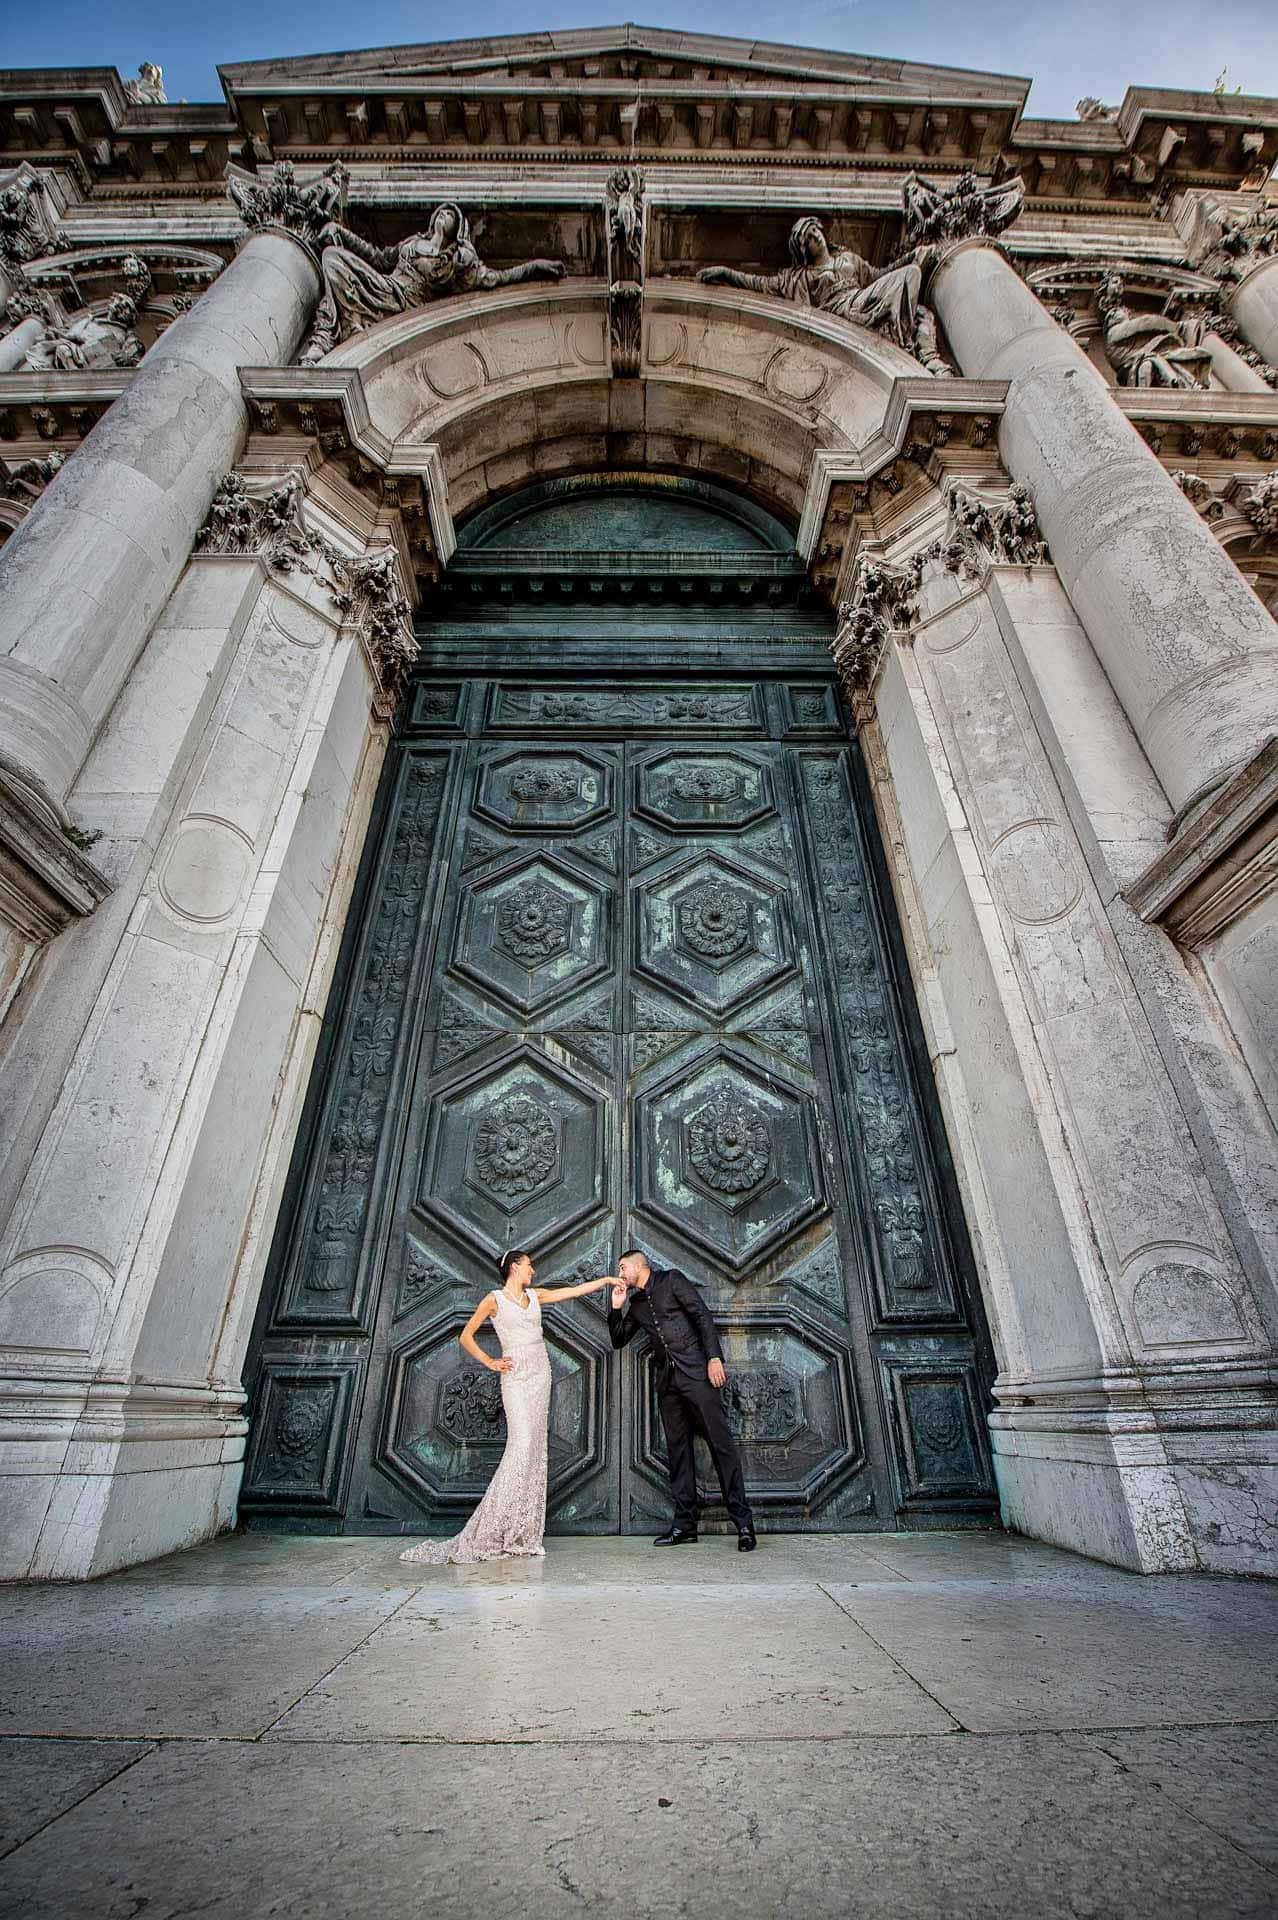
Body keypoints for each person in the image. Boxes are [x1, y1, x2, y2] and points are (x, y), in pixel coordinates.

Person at [399, 1249, 613, 1565]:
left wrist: (605, 1280)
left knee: (535, 1450)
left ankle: (521, 1531)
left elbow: (570, 1291)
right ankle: (493, 1528)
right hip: (515, 1378)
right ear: (514, 1267)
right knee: (521, 1445)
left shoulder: (535, 1295)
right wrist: (490, 1361)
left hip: (540, 1374)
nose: (533, 1270)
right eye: (529, 1265)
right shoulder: (494, 1299)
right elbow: (466, 1336)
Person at [608, 1248, 757, 1551]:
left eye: (623, 1267)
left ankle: (743, 1524)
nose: (620, 1273)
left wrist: (713, 1358)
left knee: (721, 1447)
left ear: (639, 1265)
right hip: (669, 1384)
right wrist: (615, 1308)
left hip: (697, 1375)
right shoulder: (636, 1305)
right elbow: (619, 1339)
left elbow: (701, 1315)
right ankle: (685, 1526)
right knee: (678, 1454)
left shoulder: (671, 1280)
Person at [300, 202, 566, 363]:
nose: (443, 216)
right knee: (332, 257)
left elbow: (497, 279)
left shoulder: (458, 261)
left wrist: (534, 267)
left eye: (449, 215)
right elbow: (377, 257)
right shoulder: (413, 242)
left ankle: (337, 336)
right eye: (441, 212)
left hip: (407, 303)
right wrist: (340, 231)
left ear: (457, 227)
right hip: (385, 286)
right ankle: (331, 335)